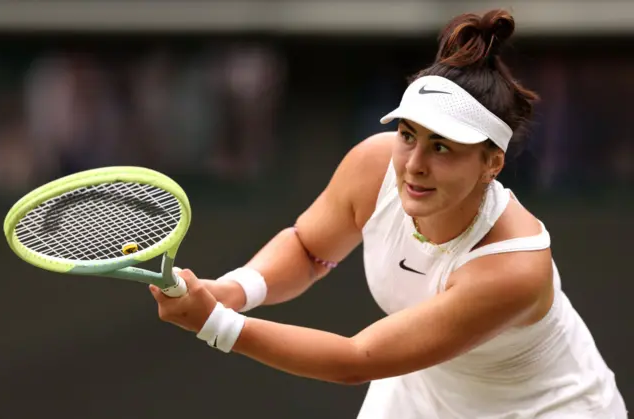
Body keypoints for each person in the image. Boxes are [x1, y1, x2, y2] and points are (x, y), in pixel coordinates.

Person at [149, 9, 628, 419]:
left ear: (492, 163)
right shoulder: (375, 164)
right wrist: (232, 291)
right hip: (424, 394)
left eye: (442, 147)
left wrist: (215, 323)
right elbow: (309, 249)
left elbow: (355, 360)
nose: (415, 164)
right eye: (407, 135)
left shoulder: (514, 268)